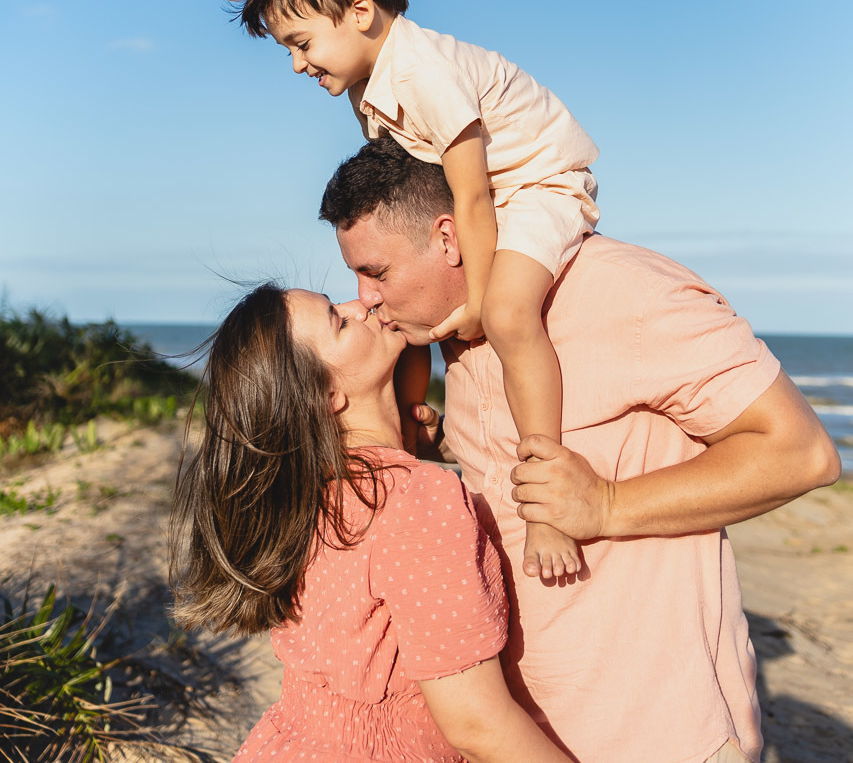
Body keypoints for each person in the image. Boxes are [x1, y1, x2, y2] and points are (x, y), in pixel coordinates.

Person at [319, 138, 842, 763]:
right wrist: (446, 448)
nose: (364, 296)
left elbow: (802, 452)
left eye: (376, 272)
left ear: (447, 238)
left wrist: (607, 504)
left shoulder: (628, 292)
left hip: (657, 736)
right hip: (523, 736)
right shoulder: (450, 332)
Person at [229, 0, 599, 581]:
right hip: (483, 195)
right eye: (288, 49)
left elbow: (472, 197)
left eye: (302, 43)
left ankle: (547, 495)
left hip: (536, 183)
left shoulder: (426, 73)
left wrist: (479, 303)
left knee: (509, 315)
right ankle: (410, 440)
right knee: (402, 318)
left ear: (360, 13)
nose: (297, 64)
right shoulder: (367, 90)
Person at [170, 282, 572, 763]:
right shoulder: (415, 500)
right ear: (327, 395)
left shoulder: (306, 496)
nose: (360, 305)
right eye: (339, 322)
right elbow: (477, 725)